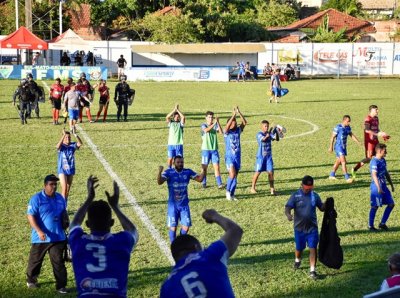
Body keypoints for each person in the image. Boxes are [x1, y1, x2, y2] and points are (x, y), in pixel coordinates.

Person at [69, 176, 139, 297]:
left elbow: (74, 224)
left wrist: (89, 198)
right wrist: (115, 207)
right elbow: (133, 231)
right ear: (112, 222)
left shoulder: (78, 242)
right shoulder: (121, 241)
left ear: (87, 224)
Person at [160, 209, 243, 298]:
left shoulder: (166, 287)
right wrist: (214, 215)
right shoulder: (210, 256)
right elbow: (235, 230)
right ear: (196, 247)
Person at [26, 174, 68, 294]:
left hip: (58, 236)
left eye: (55, 184)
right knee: (35, 260)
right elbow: (30, 216)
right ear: (45, 185)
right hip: (41, 237)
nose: (54, 186)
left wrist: (66, 223)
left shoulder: (60, 198)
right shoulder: (36, 199)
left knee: (58, 262)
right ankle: (31, 280)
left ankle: (61, 286)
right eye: (51, 184)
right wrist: (39, 231)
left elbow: (63, 214)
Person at [157, 156, 207, 243]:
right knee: (173, 227)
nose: (180, 164)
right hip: (173, 206)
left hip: (184, 205)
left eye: (182, 162)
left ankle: (180, 242)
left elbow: (200, 179)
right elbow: (160, 182)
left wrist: (204, 170)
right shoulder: (169, 172)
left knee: (186, 227)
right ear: (174, 163)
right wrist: (159, 172)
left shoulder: (187, 172)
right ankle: (174, 246)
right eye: (178, 162)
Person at [285, 175, 326, 280]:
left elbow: (321, 208)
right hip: (299, 229)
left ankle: (312, 270)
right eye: (306, 188)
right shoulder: (295, 195)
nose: (308, 190)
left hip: (312, 228)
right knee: (299, 248)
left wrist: (326, 204)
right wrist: (288, 215)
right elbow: (288, 207)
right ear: (301, 185)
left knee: (313, 248)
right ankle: (297, 260)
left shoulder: (315, 196)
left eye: (310, 188)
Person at [352, 105, 390, 179]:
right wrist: (377, 134)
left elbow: (377, 129)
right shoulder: (367, 119)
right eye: (376, 110)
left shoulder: (376, 118)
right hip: (369, 142)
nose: (377, 111)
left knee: (381, 154)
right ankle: (355, 169)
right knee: (369, 158)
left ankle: (381, 171)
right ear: (371, 111)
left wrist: (382, 133)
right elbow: (367, 130)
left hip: (375, 141)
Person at [368, 143, 395, 231]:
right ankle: (370, 226)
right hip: (376, 187)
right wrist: (378, 187)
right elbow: (374, 175)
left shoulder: (383, 160)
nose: (386, 152)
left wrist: (391, 184)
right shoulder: (374, 162)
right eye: (384, 151)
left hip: (384, 185)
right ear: (379, 151)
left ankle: (382, 223)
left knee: (391, 204)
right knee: (375, 206)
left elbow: (386, 172)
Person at [328, 115, 361, 183]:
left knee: (338, 161)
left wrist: (358, 142)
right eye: (348, 121)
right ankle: (347, 177)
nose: (349, 123)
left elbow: (351, 135)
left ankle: (332, 175)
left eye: (349, 122)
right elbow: (332, 137)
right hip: (338, 147)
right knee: (343, 161)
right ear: (344, 120)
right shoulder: (338, 127)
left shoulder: (348, 127)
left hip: (343, 147)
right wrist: (330, 147)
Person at [224, 106, 247, 201]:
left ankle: (232, 194)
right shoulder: (227, 132)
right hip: (229, 157)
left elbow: (244, 123)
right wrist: (233, 115)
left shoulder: (238, 131)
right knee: (232, 174)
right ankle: (227, 191)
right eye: (233, 121)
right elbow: (226, 127)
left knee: (235, 176)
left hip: (237, 157)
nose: (235, 122)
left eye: (235, 121)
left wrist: (239, 112)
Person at [250, 120, 279, 195]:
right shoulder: (259, 134)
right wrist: (267, 135)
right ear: (262, 127)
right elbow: (263, 139)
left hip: (268, 157)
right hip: (261, 157)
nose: (266, 128)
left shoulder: (269, 134)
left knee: (271, 173)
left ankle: (272, 189)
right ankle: (252, 188)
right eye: (265, 126)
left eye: (267, 126)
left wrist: (277, 132)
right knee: (257, 172)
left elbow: (277, 139)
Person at [56, 129, 83, 200]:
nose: (68, 138)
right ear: (63, 138)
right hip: (62, 170)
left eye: (69, 137)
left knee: (67, 190)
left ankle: (65, 206)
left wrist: (75, 134)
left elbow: (80, 143)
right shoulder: (61, 146)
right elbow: (57, 146)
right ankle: (61, 207)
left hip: (71, 169)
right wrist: (63, 135)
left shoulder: (72, 145)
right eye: (66, 137)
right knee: (64, 189)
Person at [200, 111, 224, 189]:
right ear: (206, 118)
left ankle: (219, 184)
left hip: (214, 149)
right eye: (209, 117)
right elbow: (206, 130)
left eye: (212, 117)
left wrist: (218, 123)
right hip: (206, 150)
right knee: (204, 167)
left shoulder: (215, 125)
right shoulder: (203, 125)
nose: (211, 119)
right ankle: (204, 182)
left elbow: (221, 132)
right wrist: (214, 124)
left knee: (216, 167)